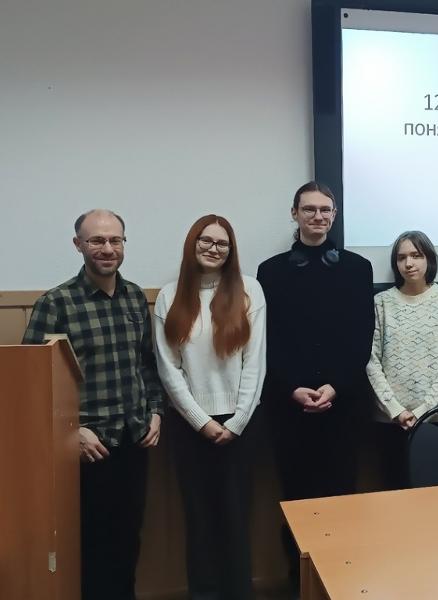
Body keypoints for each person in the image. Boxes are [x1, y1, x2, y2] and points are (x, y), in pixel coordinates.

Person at [22, 209, 163, 600]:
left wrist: (155, 410)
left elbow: (147, 364)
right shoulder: (56, 304)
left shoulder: (134, 297)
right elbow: (33, 383)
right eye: (97, 240)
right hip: (85, 450)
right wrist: (72, 432)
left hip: (133, 441)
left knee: (128, 541)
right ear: (78, 245)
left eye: (115, 240)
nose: (107, 248)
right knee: (92, 547)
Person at [256, 181, 374, 588]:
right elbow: (268, 341)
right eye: (309, 209)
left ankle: (341, 583)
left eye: (325, 210)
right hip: (290, 408)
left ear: (334, 215)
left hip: (343, 405)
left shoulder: (358, 268)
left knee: (340, 498)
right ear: (295, 214)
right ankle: (299, 584)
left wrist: (335, 386)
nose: (318, 216)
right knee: (296, 501)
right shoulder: (270, 271)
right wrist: (292, 388)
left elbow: (361, 337)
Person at [153, 215, 266, 600]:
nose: (213, 249)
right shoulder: (169, 296)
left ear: (231, 251)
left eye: (222, 243)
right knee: (198, 521)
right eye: (206, 240)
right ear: (192, 243)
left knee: (235, 519)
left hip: (240, 426)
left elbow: (255, 363)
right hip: (189, 426)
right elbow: (169, 368)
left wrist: (237, 422)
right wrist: (201, 421)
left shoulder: (250, 291)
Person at [367, 231, 438, 489]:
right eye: (401, 258)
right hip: (391, 421)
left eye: (416, 255)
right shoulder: (381, 303)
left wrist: (424, 410)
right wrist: (396, 410)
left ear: (429, 259)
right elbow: (371, 360)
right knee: (394, 494)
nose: (409, 263)